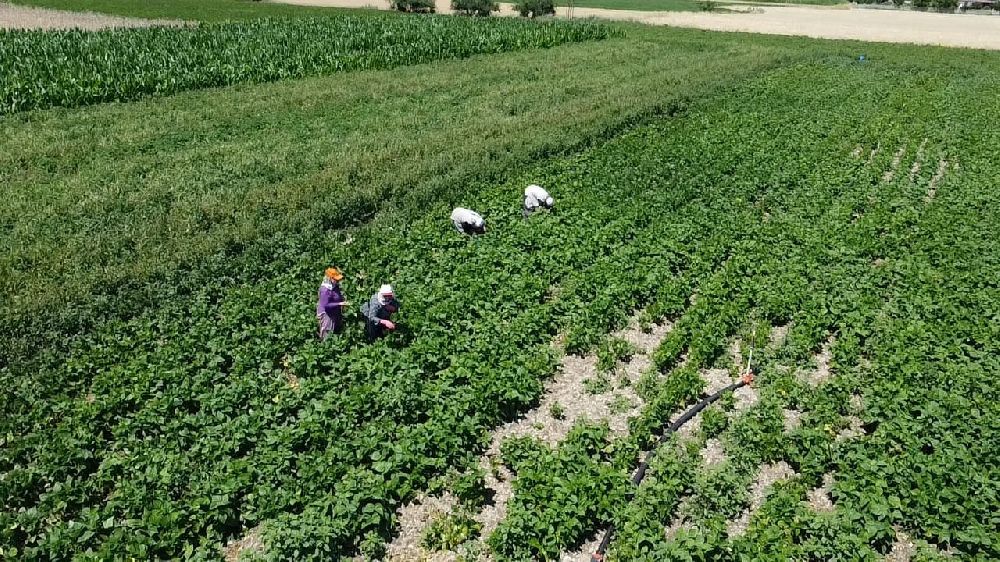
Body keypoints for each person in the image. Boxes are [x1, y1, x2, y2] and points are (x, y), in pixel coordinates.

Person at [317, 267, 348, 340]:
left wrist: (342, 300)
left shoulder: (334, 286)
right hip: (327, 314)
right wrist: (339, 304)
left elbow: (338, 295)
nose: (338, 281)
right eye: (335, 279)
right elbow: (326, 305)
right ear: (330, 278)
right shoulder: (325, 290)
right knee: (327, 334)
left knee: (336, 331)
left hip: (335, 312)